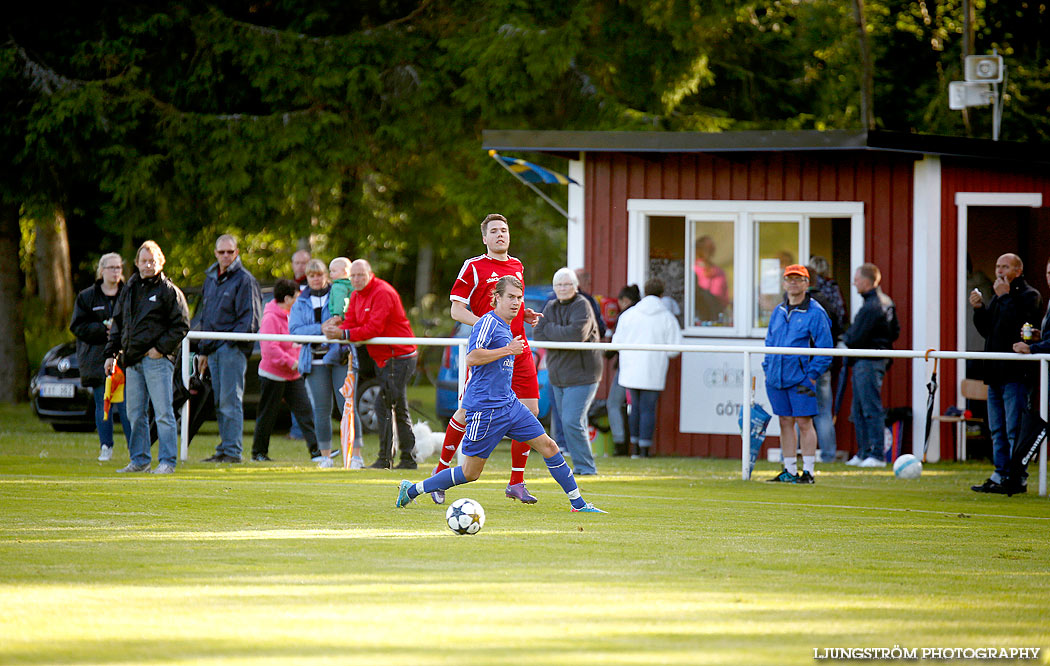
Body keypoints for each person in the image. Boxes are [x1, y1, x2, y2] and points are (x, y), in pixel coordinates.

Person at [395, 276, 606, 513]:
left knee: (549, 446)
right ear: (496, 298)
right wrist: (508, 349)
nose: (516, 303)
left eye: (519, 297)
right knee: (470, 473)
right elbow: (472, 357)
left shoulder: (506, 325)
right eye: (511, 297)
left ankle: (579, 504)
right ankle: (412, 490)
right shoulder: (487, 323)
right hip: (485, 409)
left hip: (509, 404)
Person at [428, 213, 543, 505]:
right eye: (494, 231)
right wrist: (489, 325)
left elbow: (512, 301)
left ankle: (516, 482)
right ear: (484, 238)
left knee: (530, 412)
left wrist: (523, 313)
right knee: (466, 415)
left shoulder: (517, 265)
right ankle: (439, 474)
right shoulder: (474, 267)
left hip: (520, 348)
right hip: (490, 352)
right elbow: (456, 310)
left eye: (504, 230)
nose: (500, 235)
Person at [103, 241, 190, 474]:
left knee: (163, 412)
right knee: (134, 414)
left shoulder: (169, 291)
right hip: (131, 361)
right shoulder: (129, 289)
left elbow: (181, 325)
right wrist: (111, 353)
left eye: (152, 261)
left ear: (160, 262)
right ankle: (140, 460)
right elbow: (118, 323)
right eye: (144, 261)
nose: (148, 265)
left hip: (156, 361)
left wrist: (160, 349)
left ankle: (167, 461)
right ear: (137, 263)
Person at [323, 259, 417, 469]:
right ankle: (406, 459)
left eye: (360, 275)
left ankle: (387, 459)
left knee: (383, 404)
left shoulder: (382, 292)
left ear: (370, 274)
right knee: (397, 407)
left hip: (399, 356)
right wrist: (335, 328)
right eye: (353, 276)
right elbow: (353, 322)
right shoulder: (356, 295)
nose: (356, 279)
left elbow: (374, 328)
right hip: (384, 357)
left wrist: (343, 333)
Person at [970, 253, 1041, 494]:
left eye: (1006, 266)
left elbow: (1020, 328)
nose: (1000, 271)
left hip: (1015, 374)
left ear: (1018, 271)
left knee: (1013, 428)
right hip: (995, 373)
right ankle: (999, 474)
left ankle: (1015, 476)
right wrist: (979, 309)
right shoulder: (1000, 297)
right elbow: (988, 331)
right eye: (998, 266)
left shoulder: (1029, 296)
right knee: (996, 429)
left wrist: (1004, 296)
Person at [762, 265, 834, 484]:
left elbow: (825, 349)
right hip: (777, 377)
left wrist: (811, 375)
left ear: (806, 283)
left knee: (804, 422)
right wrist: (768, 368)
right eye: (789, 279)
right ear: (784, 283)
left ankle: (809, 472)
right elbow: (770, 342)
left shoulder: (815, 312)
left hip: (801, 377)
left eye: (798, 279)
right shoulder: (778, 311)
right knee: (785, 421)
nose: (793, 283)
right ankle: (790, 470)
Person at [290, 259, 364, 467]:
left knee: (348, 406)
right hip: (314, 360)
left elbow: (350, 318)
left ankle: (356, 455)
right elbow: (295, 332)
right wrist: (321, 329)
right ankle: (325, 455)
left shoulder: (341, 292)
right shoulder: (300, 301)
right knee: (321, 410)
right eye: (311, 275)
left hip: (341, 357)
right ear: (306, 277)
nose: (316, 279)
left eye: (320, 274)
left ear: (327, 275)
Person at [197, 234, 262, 464]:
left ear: (237, 253)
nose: (226, 256)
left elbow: (250, 320)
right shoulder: (211, 279)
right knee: (219, 402)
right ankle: (225, 448)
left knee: (230, 401)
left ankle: (232, 451)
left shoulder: (245, 280)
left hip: (231, 350)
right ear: (215, 253)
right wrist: (204, 350)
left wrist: (228, 344)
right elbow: (206, 317)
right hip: (213, 350)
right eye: (221, 252)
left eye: (230, 252)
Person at [533, 267, 603, 475]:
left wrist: (550, 330)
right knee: (570, 422)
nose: (563, 288)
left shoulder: (583, 305)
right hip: (558, 374)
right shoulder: (550, 305)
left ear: (576, 286)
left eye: (567, 284)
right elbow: (538, 334)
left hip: (583, 375)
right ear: (554, 288)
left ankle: (585, 467)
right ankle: (583, 466)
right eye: (559, 285)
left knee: (572, 421)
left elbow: (576, 335)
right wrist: (555, 332)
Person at [249, 279, 321, 463]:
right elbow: (269, 348)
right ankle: (258, 453)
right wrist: (291, 362)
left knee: (305, 412)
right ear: (288, 298)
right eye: (296, 296)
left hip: (293, 375)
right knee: (267, 415)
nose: (299, 300)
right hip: (273, 374)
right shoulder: (271, 318)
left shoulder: (292, 315)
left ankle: (316, 452)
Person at [611, 278, 682, 457]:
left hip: (631, 369)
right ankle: (644, 449)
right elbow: (675, 349)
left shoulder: (629, 315)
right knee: (648, 409)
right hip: (654, 369)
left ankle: (634, 448)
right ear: (661, 293)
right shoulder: (667, 317)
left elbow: (616, 343)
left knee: (634, 408)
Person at [71, 253, 128, 462]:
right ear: (101, 270)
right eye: (111, 267)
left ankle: (135, 449)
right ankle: (106, 446)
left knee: (127, 406)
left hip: (124, 359)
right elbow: (77, 326)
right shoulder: (87, 297)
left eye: (118, 267)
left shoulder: (128, 294)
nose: (115, 271)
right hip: (96, 359)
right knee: (103, 403)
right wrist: (101, 329)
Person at [842, 263, 898, 468]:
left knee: (869, 407)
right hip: (875, 360)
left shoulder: (871, 306)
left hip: (868, 360)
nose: (854, 283)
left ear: (866, 281)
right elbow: (896, 332)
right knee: (858, 408)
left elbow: (855, 337)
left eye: (856, 279)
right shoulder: (886, 302)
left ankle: (876, 454)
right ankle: (864, 452)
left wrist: (846, 337)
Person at [806, 255, 847, 463]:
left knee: (801, 414)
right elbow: (838, 327)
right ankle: (828, 455)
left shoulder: (806, 304)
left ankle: (797, 454)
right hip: (824, 364)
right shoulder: (828, 301)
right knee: (823, 412)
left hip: (806, 365)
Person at [605, 284, 641, 456]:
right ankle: (640, 446)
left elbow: (615, 345)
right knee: (640, 407)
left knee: (613, 403)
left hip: (626, 368)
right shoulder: (643, 316)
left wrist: (606, 352)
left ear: (625, 301)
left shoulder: (625, 316)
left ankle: (620, 444)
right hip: (646, 367)